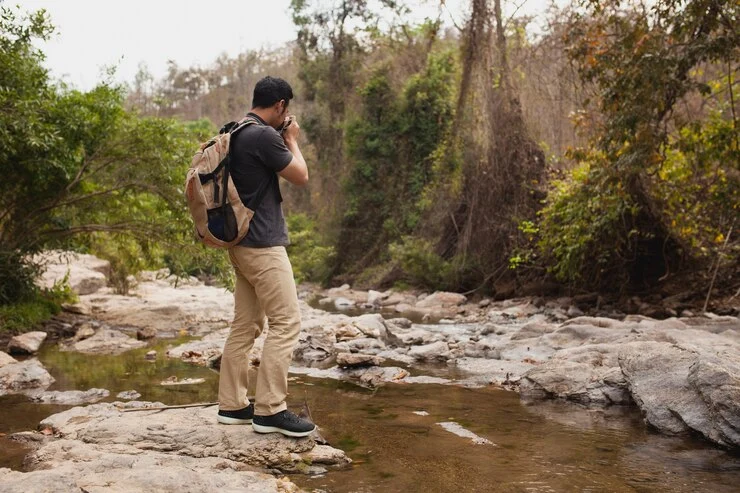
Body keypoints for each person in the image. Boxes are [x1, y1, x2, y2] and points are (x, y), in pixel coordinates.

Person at [215, 76, 314, 438]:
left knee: (246, 325)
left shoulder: (236, 131)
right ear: (281, 106)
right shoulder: (265, 136)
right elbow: (300, 175)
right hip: (263, 246)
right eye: (285, 110)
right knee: (287, 322)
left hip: (239, 244)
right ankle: (271, 410)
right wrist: (292, 138)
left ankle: (232, 405)